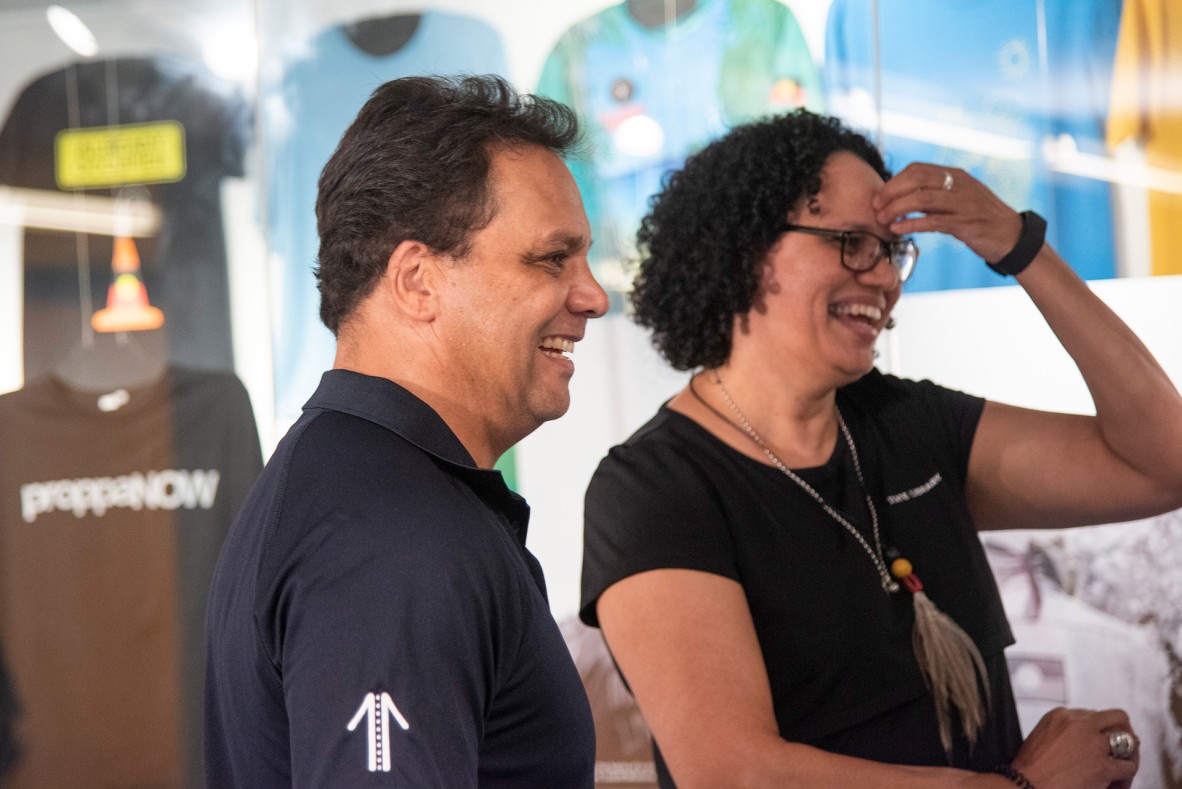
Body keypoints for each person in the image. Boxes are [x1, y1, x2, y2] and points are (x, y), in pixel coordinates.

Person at [580, 110, 1182, 788]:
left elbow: (1164, 459)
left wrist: (1019, 245)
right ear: (746, 248)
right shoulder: (656, 488)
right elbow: (734, 773)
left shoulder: (906, 422)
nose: (885, 278)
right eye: (850, 242)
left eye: (891, 250)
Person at [205, 74, 609, 786]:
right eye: (552, 257)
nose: (593, 295)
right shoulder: (386, 535)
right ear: (418, 280)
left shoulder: (362, 486)